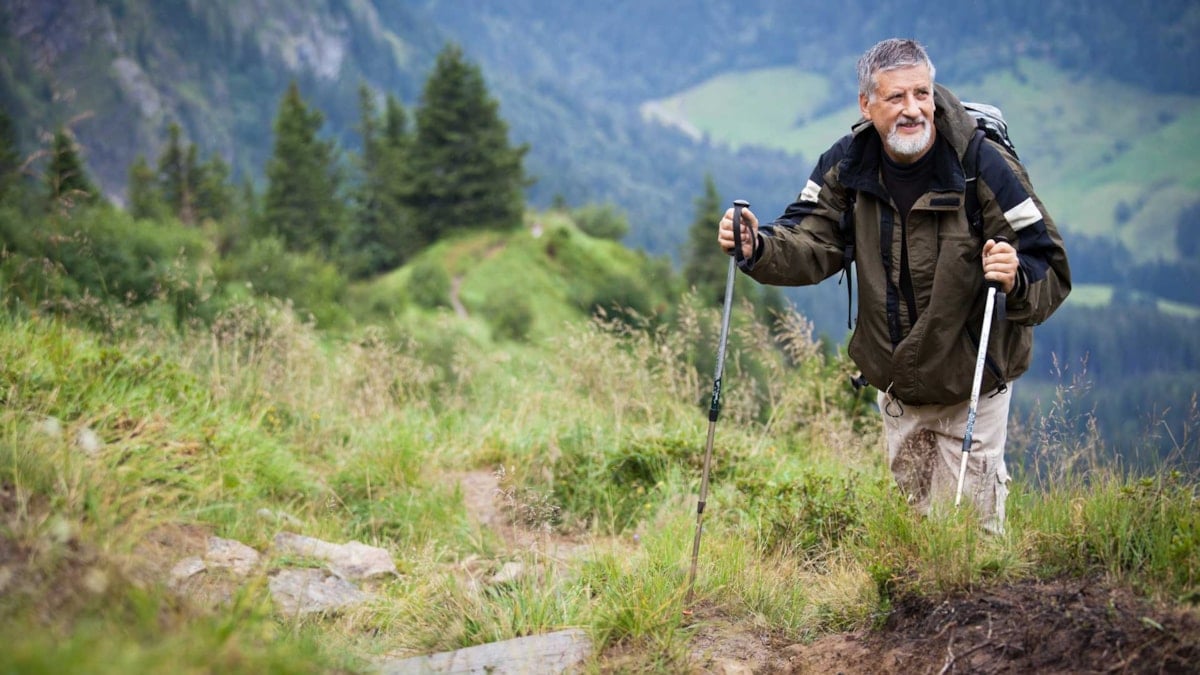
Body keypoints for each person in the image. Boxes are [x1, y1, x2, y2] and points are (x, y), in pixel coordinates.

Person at [717, 38, 1070, 533]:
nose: (913, 110)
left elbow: (1049, 265)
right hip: (898, 392)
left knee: (967, 542)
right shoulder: (850, 164)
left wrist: (1014, 280)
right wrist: (756, 247)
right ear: (866, 103)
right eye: (896, 98)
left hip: (971, 386)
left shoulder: (981, 165)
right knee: (917, 532)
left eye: (921, 94)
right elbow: (811, 240)